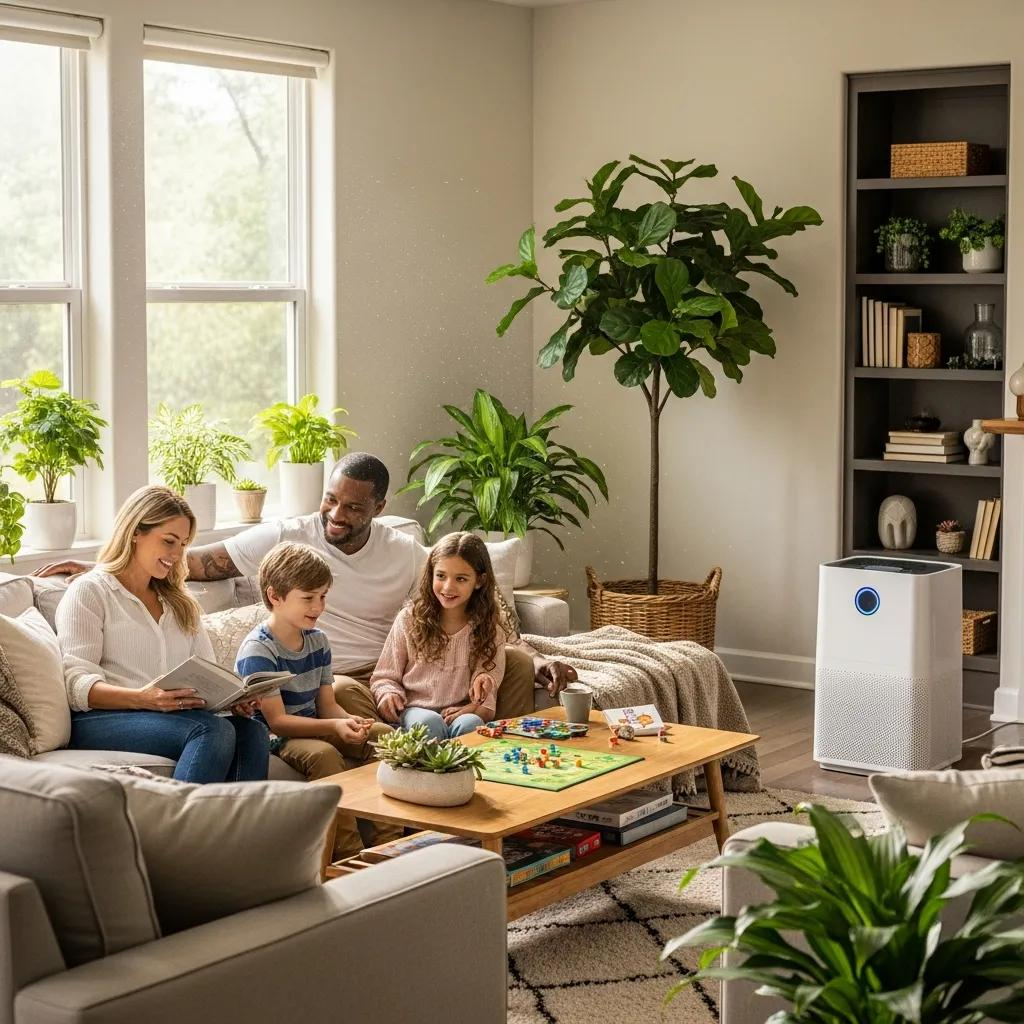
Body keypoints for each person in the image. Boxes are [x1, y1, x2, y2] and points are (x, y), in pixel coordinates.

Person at [37, 452, 577, 749]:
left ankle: (508, 775)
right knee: (341, 697)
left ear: (379, 507)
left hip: (398, 672)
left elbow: (470, 602)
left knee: (515, 664)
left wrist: (533, 655)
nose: (336, 515)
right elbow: (201, 562)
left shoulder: (404, 553)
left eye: (353, 508)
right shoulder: (287, 535)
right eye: (330, 500)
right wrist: (106, 566)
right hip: (337, 681)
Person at [55, 486, 270, 783]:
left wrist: (230, 699)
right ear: (135, 532)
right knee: (212, 729)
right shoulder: (91, 591)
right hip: (100, 718)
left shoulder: (180, 603)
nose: (178, 554)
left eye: (183, 544)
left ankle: (236, 817)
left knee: (253, 732)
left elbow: (208, 672)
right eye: (169, 541)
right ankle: (176, 815)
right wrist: (143, 698)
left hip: (166, 717)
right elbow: (76, 686)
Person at [234, 541, 400, 858]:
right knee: (324, 755)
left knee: (384, 736)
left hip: (313, 722)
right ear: (275, 596)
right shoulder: (259, 650)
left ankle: (390, 843)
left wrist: (348, 721)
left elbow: (327, 705)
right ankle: (348, 853)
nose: (318, 606)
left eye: (323, 596)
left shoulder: (318, 641)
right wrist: (334, 727)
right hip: (277, 737)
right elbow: (278, 722)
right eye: (308, 598)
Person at [372, 532, 507, 740]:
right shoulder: (409, 619)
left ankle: (459, 763)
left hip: (460, 712)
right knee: (429, 723)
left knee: (471, 724)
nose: (448, 587)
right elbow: (384, 677)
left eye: (461, 579)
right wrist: (388, 694)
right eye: (441, 576)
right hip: (415, 711)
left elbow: (487, 706)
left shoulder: (490, 629)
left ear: (479, 581)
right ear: (431, 574)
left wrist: (474, 706)